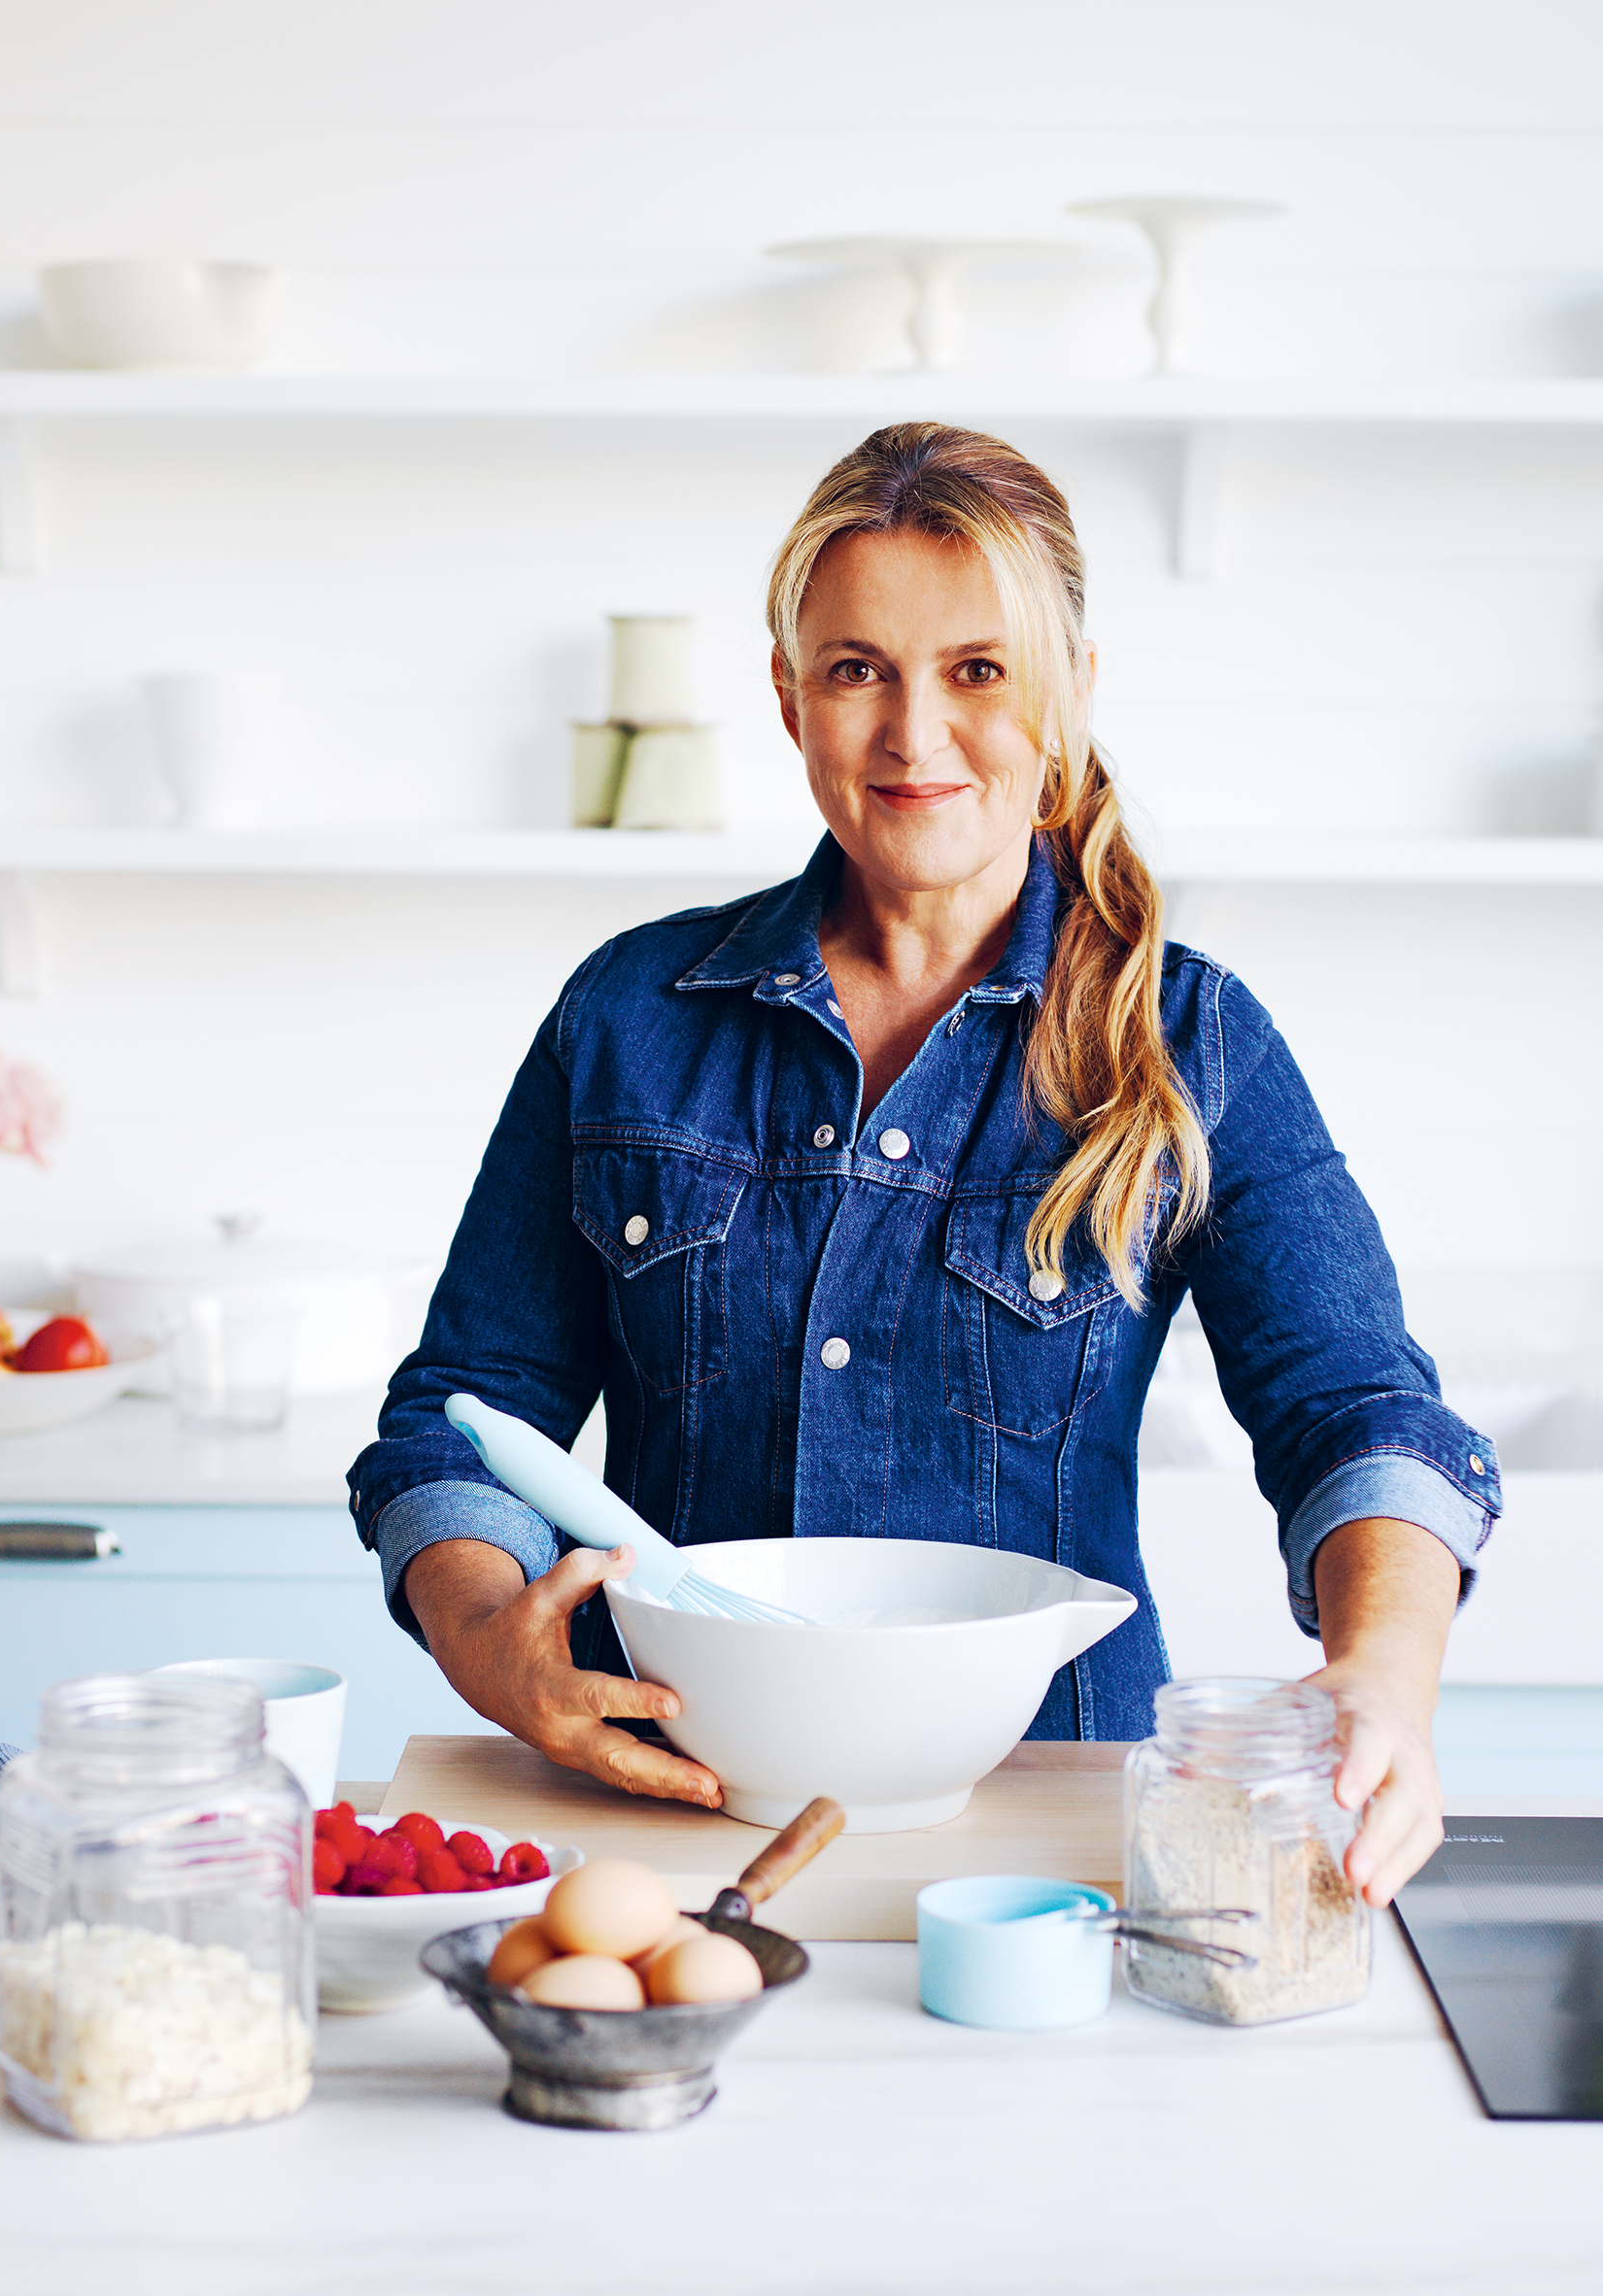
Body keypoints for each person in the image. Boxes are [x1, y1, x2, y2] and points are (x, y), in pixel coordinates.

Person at [348, 422, 1498, 1908]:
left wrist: (1384, 1684)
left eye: (977, 669)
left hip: (1048, 1833)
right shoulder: (626, 1017)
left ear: (1071, 692)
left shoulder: (1192, 1040)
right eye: (855, 670)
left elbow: (1363, 1415)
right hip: (666, 1821)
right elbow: (462, 1420)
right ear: (788, 696)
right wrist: (496, 1650)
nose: (913, 737)